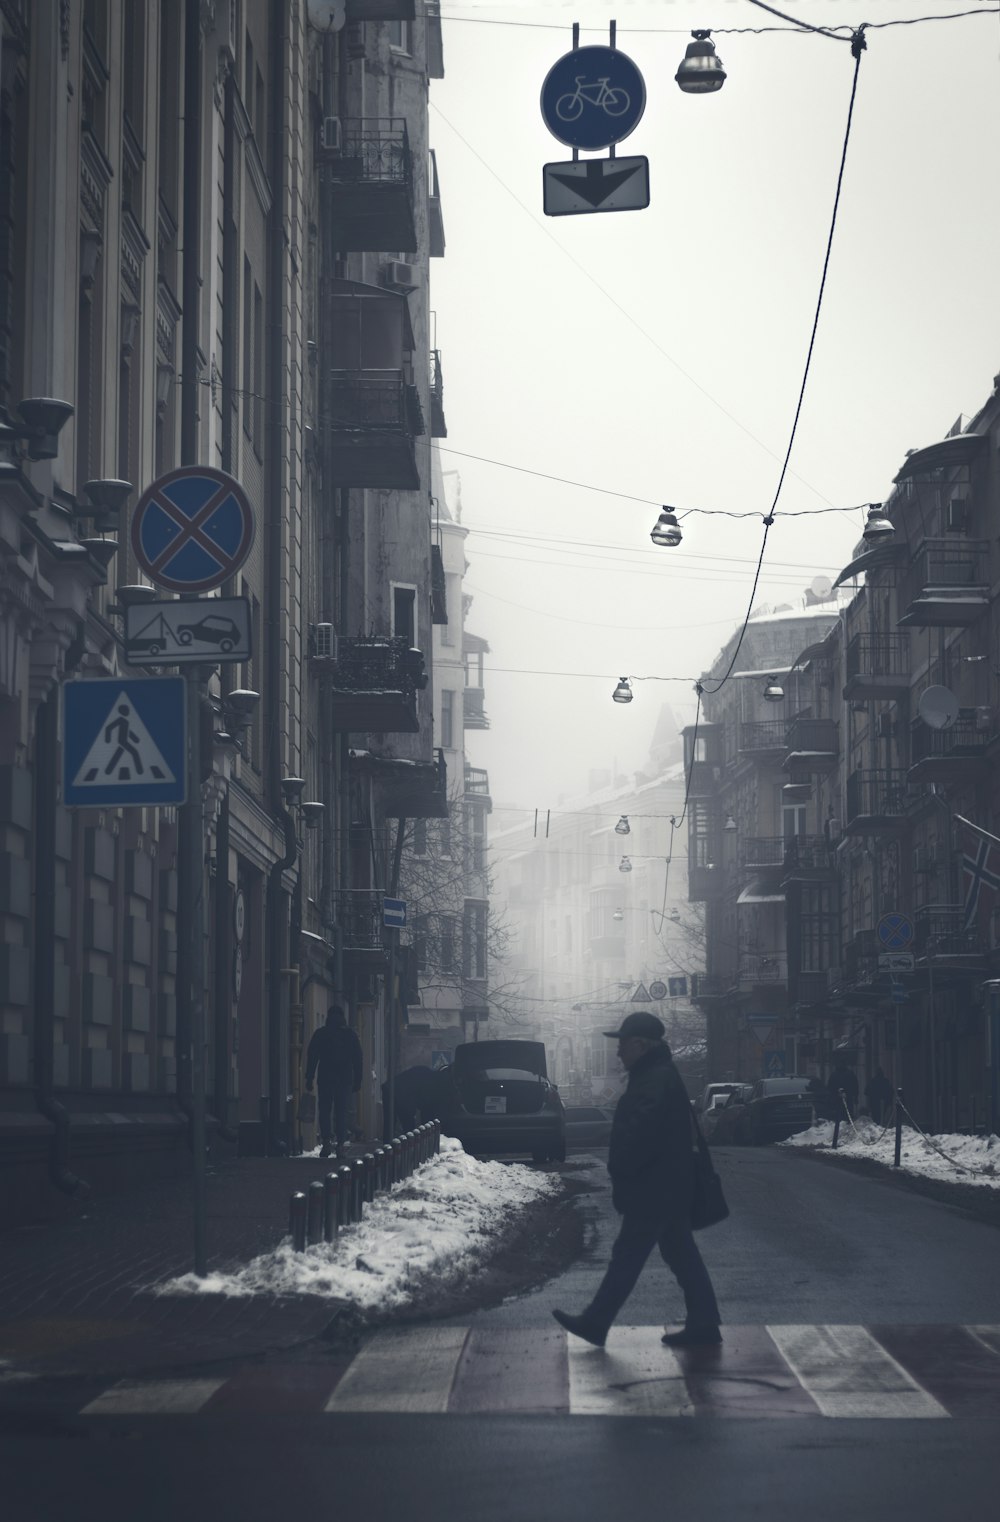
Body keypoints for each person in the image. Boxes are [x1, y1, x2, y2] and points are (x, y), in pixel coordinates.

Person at [551, 1011, 722, 1350]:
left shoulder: (653, 1079)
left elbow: (640, 1134)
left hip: (654, 1187)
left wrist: (624, 1169)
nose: (618, 1052)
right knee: (681, 1255)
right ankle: (704, 1322)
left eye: (624, 1045)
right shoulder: (657, 1074)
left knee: (627, 1256)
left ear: (641, 1045)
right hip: (666, 1185)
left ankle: (596, 1322)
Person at [304, 1006, 363, 1159]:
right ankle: (341, 1144)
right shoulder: (350, 1035)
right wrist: (358, 1080)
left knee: (325, 1110)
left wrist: (309, 1077)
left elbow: (312, 1056)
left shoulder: (321, 1034)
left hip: (325, 1078)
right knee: (341, 1111)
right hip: (344, 1079)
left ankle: (326, 1142)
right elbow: (358, 1059)